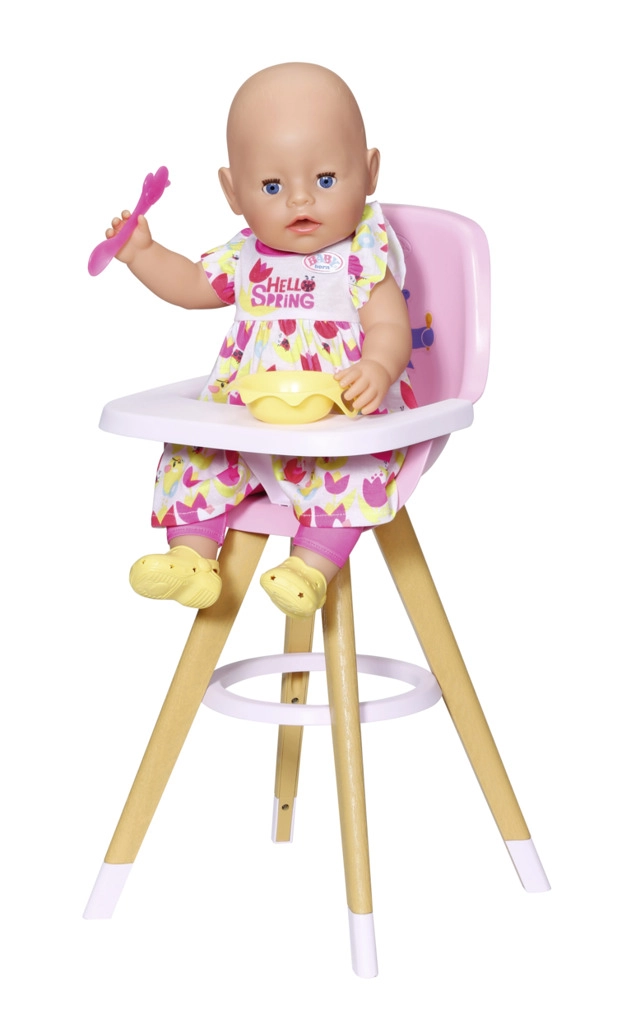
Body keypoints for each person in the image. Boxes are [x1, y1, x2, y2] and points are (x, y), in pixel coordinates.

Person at [104, 62, 415, 618]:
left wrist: (377, 367)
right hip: (244, 419)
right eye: (273, 186)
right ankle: (190, 557)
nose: (300, 201)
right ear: (233, 191)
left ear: (369, 173)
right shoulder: (244, 255)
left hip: (336, 421)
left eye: (325, 180)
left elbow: (391, 327)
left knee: (349, 478)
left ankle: (309, 567)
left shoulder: (359, 256)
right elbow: (191, 286)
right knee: (191, 458)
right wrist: (142, 254)